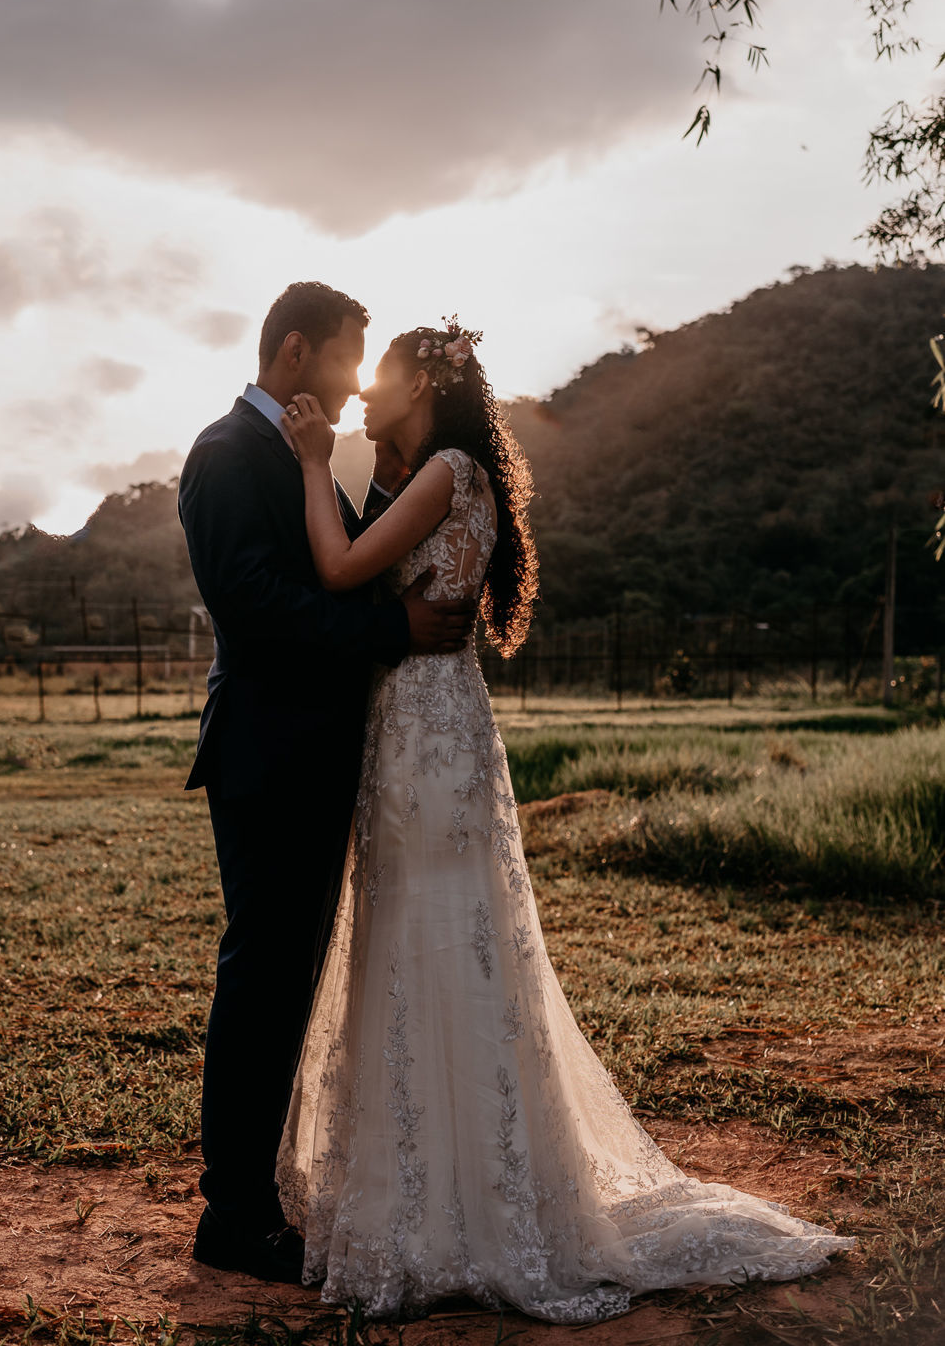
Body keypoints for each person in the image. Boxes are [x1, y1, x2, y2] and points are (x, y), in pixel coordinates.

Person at [275, 318, 855, 1322]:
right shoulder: (459, 470)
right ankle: (461, 1189)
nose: (369, 386)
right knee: (447, 941)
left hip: (422, 730)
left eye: (386, 372)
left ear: (429, 381)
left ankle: (442, 1203)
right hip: (437, 724)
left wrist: (314, 462)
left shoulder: (446, 469)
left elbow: (338, 568)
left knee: (422, 940)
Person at [177, 284, 475, 1282]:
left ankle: (260, 1191)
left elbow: (343, 556)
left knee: (289, 978)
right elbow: (260, 610)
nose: (355, 383)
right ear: (295, 352)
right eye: (349, 359)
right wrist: (395, 631)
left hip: (314, 753)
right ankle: (235, 1211)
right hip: (267, 753)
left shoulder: (309, 457)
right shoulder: (225, 456)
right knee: (262, 978)